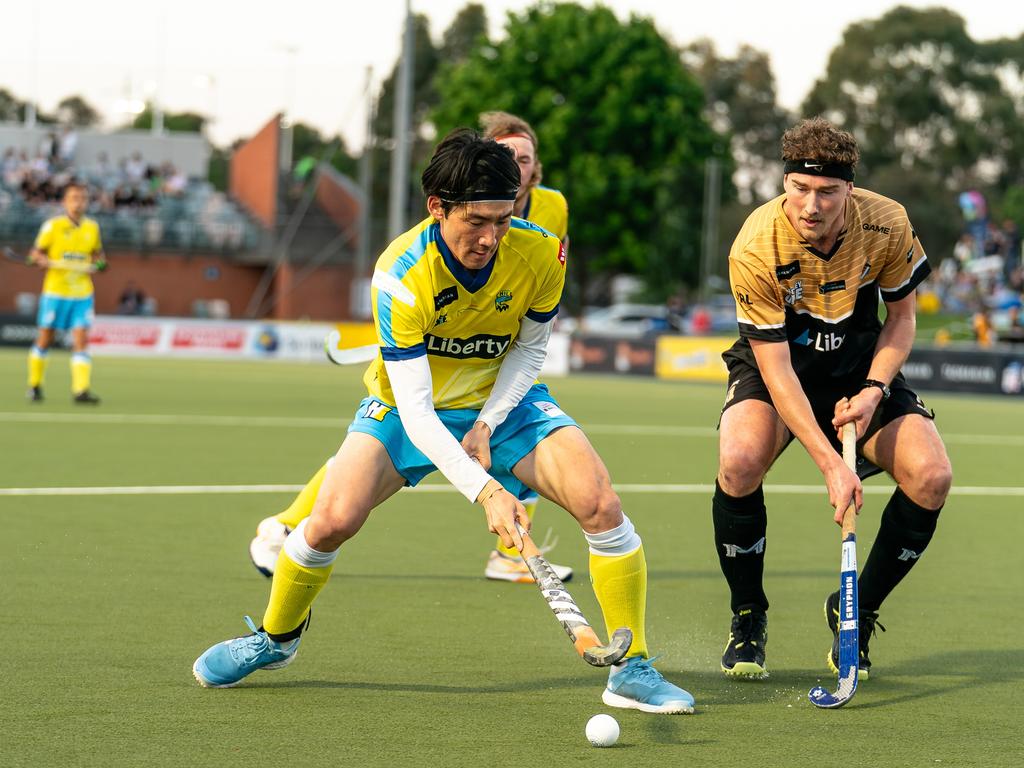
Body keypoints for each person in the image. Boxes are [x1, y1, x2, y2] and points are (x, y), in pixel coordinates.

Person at [194, 129, 695, 714]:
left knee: (600, 502)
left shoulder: (540, 251)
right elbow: (415, 409)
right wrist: (487, 490)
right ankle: (276, 640)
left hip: (505, 401)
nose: (491, 238)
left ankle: (631, 670)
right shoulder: (401, 273)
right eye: (476, 222)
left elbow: (531, 351)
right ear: (438, 208)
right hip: (406, 409)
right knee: (330, 521)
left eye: (503, 221)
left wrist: (487, 423)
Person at [248, 111, 575, 586]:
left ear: (535, 168)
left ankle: (506, 554)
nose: (516, 166)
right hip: (433, 343)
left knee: (524, 432)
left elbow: (545, 273)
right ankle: (286, 524)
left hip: (496, 347)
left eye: (524, 158)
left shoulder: (551, 210)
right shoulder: (451, 217)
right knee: (372, 453)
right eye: (507, 155)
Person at [712, 117, 952, 680]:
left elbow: (902, 319)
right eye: (799, 188)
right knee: (739, 462)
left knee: (932, 476)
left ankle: (856, 612)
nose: (811, 205)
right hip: (780, 370)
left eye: (827, 192)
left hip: (858, 363)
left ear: (850, 189)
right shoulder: (755, 244)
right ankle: (748, 615)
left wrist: (873, 391)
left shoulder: (887, 223)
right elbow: (776, 370)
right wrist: (831, 466)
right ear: (785, 182)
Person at [26, 180, 106, 404]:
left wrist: (99, 264)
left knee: (81, 339)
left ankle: (81, 390)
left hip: (82, 294)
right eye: (74, 198)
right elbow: (35, 254)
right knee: (45, 338)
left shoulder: (93, 227)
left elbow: (99, 256)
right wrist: (39, 260)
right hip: (55, 292)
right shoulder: (52, 226)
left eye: (82, 199)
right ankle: (35, 385)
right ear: (65, 202)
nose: (78, 203)